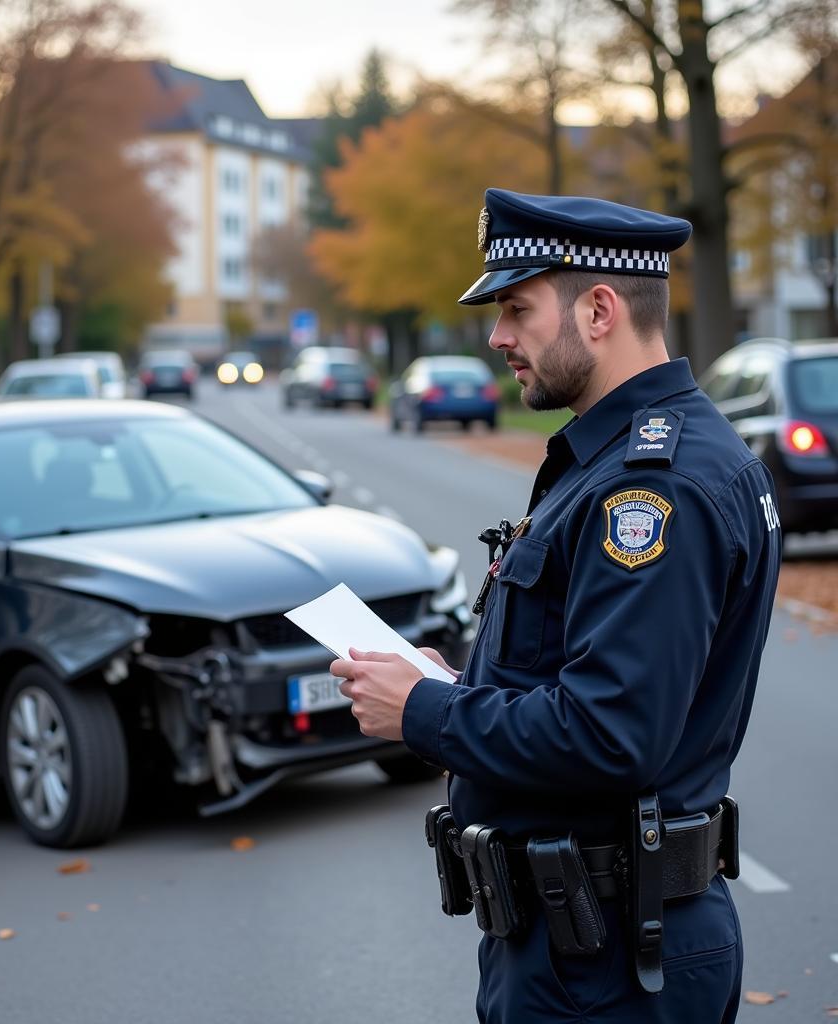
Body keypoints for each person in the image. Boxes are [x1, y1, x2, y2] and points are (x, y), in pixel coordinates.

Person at [330, 188, 782, 1023]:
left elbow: (613, 735)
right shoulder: (615, 459)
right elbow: (574, 675)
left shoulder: (655, 489)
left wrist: (426, 713)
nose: (498, 337)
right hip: (586, 939)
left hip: (605, 958)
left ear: (601, 309)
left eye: (517, 308)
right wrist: (457, 692)